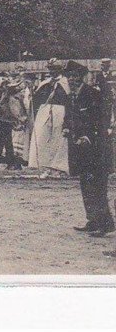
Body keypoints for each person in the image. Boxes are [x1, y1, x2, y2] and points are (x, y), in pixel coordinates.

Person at [65, 60, 115, 237]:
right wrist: (66, 128)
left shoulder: (93, 94)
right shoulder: (71, 96)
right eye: (69, 76)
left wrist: (88, 136)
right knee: (86, 184)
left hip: (96, 148)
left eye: (75, 76)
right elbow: (69, 117)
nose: (71, 79)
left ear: (82, 77)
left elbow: (100, 120)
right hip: (81, 149)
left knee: (97, 185)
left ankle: (106, 224)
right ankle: (93, 220)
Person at [28, 58, 69, 177]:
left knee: (58, 138)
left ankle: (58, 166)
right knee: (42, 136)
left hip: (60, 112)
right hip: (44, 112)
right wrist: (32, 94)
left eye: (54, 69)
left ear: (60, 70)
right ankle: (43, 165)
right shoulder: (44, 83)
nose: (52, 71)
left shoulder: (65, 83)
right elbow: (36, 100)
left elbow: (68, 99)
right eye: (50, 69)